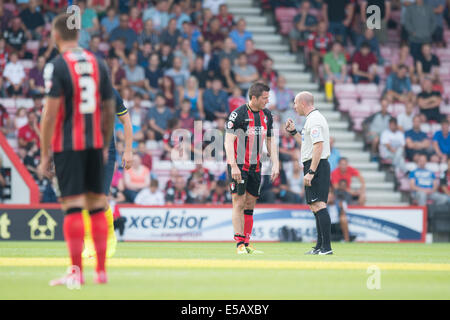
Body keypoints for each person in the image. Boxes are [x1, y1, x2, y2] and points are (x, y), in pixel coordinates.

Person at [38, 14, 116, 286]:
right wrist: (105, 145)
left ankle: (76, 273)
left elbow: (50, 114)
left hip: (68, 146)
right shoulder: (98, 63)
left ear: (56, 36)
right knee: (96, 205)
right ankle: (102, 272)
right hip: (94, 144)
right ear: (78, 35)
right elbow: (109, 109)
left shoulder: (58, 65)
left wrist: (45, 152)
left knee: (72, 208)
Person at [224, 82, 279, 254]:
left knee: (250, 204)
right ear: (253, 97)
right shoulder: (238, 115)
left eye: (268, 98)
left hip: (256, 166)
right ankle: (239, 243)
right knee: (238, 202)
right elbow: (228, 141)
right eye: (264, 98)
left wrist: (276, 163)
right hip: (239, 166)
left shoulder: (267, 115)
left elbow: (270, 140)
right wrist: (233, 166)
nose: (267, 101)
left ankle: (247, 243)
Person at [82, 88, 134, 259]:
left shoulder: (110, 93)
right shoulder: (74, 90)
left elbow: (126, 120)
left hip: (105, 153)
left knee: (101, 198)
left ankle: (110, 238)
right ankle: (89, 243)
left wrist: (128, 151)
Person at [285, 91, 333, 255]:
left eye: (296, 103)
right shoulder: (311, 120)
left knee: (319, 204)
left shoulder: (315, 120)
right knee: (314, 206)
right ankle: (320, 246)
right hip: (315, 164)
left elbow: (318, 146)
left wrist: (311, 171)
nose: (294, 106)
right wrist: (293, 132)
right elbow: (306, 143)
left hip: (316, 165)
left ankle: (326, 247)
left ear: (303, 103)